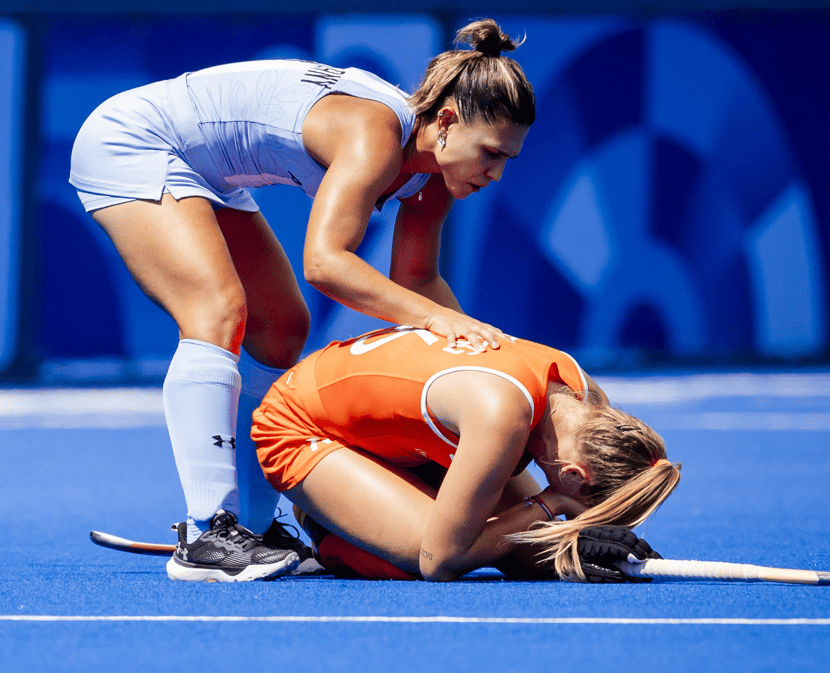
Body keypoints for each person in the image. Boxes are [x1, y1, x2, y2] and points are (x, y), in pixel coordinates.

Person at [70, 19, 536, 582]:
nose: (497, 172)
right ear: (445, 123)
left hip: (208, 170)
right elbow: (326, 262)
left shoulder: (433, 182)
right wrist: (441, 320)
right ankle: (206, 534)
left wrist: (485, 347)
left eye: (509, 158)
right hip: (135, 141)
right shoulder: (375, 133)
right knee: (216, 311)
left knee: (281, 330)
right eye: (491, 152)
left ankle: (255, 529)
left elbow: (416, 285)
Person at [252, 325, 682, 581]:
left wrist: (571, 548)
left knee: (510, 542)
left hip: (394, 434)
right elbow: (439, 561)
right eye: (582, 509)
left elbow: (516, 545)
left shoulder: (587, 398)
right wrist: (551, 504)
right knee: (427, 554)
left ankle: (381, 497)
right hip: (301, 425)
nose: (575, 518)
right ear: (572, 476)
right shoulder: (502, 418)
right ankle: (329, 529)